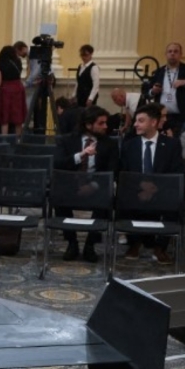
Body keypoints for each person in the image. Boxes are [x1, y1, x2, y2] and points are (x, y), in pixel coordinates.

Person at [120, 103, 184, 264]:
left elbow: (176, 173)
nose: (135, 124)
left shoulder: (171, 145)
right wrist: (142, 187)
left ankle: (160, 247)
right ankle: (134, 243)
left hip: (162, 191)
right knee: (125, 199)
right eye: (136, 121)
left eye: (141, 121)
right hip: (137, 191)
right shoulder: (129, 145)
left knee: (174, 201)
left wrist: (156, 188)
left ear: (154, 122)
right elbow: (123, 174)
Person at [54, 106, 118, 262]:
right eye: (101, 123)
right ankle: (72, 243)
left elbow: (113, 170)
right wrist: (81, 155)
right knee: (58, 194)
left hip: (97, 185)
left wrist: (94, 185)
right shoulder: (67, 140)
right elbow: (58, 164)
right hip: (72, 185)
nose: (106, 126)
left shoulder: (109, 144)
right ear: (89, 125)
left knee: (106, 196)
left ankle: (90, 245)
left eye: (106, 123)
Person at [147, 42, 185, 136]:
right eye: (170, 51)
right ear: (166, 54)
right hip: (162, 117)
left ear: (180, 55)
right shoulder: (158, 72)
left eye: (176, 51)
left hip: (183, 116)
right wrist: (153, 91)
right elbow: (146, 91)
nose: (172, 54)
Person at [0, 44, 26, 134]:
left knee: (5, 117)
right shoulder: (18, 61)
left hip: (6, 89)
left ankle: (4, 140)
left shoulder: (1, 63)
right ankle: (18, 140)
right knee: (18, 118)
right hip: (18, 88)